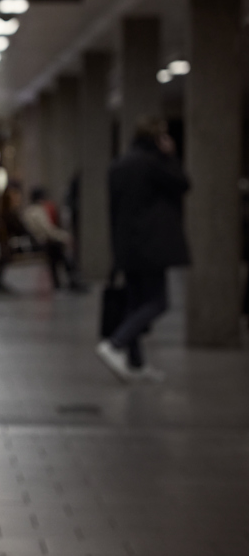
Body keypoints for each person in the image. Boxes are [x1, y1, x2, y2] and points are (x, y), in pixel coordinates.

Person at [96, 117, 190, 383]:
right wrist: (170, 155)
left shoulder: (119, 165)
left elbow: (114, 209)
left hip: (127, 245)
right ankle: (116, 343)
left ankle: (136, 364)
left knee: (135, 303)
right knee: (158, 302)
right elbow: (183, 184)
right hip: (152, 246)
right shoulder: (155, 163)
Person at [21, 187, 84, 291]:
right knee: (61, 253)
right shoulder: (37, 211)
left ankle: (61, 282)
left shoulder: (28, 211)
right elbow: (48, 230)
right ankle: (73, 280)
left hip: (39, 242)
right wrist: (64, 237)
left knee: (57, 256)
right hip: (43, 242)